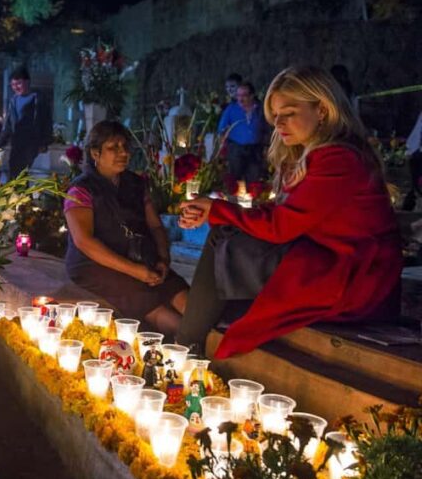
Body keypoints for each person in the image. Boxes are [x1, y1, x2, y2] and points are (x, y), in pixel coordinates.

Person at [177, 66, 403, 359]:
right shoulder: (318, 154)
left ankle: (184, 350)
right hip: (328, 259)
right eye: (275, 116)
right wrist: (217, 209)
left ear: (322, 109)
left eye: (289, 113)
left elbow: (282, 226)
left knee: (224, 241)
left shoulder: (339, 159)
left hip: (353, 276)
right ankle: (192, 348)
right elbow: (289, 213)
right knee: (230, 248)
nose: (279, 124)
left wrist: (219, 210)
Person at [64, 120, 189, 337]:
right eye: (113, 148)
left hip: (141, 258)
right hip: (97, 265)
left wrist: (162, 259)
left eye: (125, 147)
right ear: (95, 153)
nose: (123, 153)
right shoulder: (81, 189)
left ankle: (210, 333)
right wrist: (135, 271)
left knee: (177, 291)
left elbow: (155, 226)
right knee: (145, 298)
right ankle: (194, 342)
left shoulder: (135, 184)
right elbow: (83, 241)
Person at [0, 66, 52, 178]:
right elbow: (8, 127)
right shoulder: (13, 101)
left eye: (19, 83)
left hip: (33, 145)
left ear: (27, 82)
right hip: (17, 145)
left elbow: (47, 123)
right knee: (14, 175)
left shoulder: (38, 99)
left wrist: (44, 143)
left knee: (29, 176)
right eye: (13, 85)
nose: (16, 87)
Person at [217, 81, 268, 184]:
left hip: (255, 150)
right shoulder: (231, 109)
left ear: (252, 95)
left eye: (244, 95)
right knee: (235, 180)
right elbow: (221, 128)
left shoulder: (261, 109)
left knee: (254, 178)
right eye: (238, 95)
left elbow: (267, 127)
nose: (240, 98)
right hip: (236, 149)